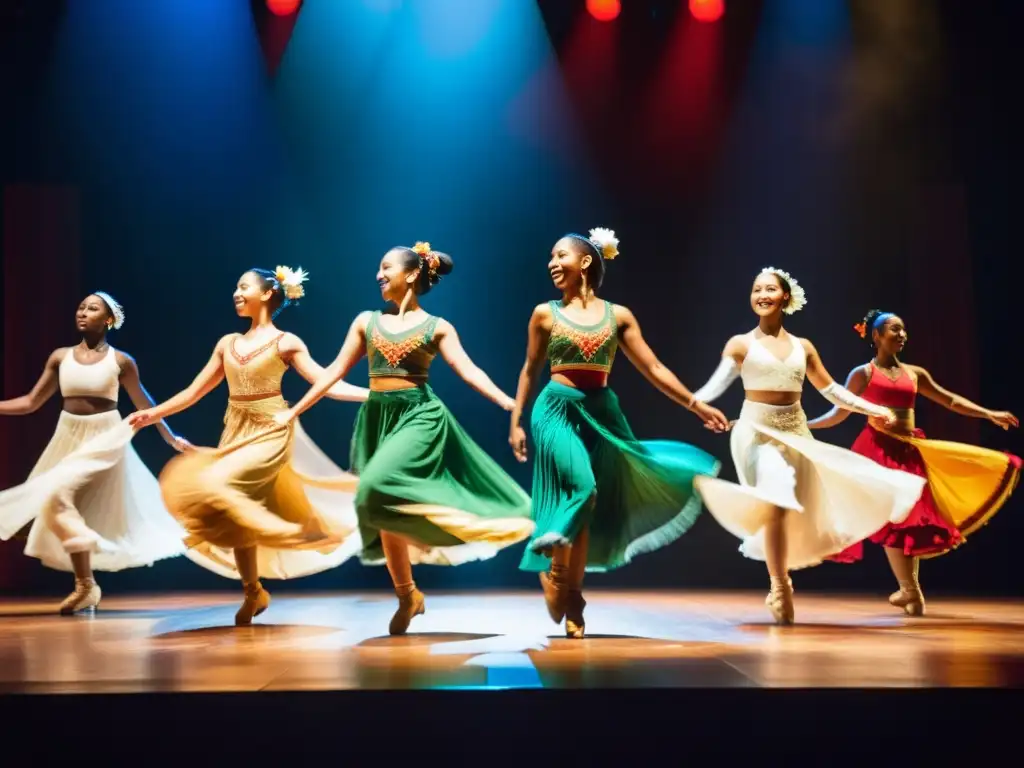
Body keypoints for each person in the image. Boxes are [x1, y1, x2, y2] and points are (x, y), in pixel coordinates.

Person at [276, 242, 533, 636]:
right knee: (382, 505)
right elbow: (331, 375)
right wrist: (294, 411)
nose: (378, 275)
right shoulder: (366, 322)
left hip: (419, 415)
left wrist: (508, 403)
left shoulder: (438, 326)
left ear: (411, 274)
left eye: (385, 267)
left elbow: (469, 370)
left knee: (374, 489)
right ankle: (408, 595)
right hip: (377, 418)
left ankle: (442, 534)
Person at [508, 229, 728, 639]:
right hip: (555, 409)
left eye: (560, 256)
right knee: (583, 489)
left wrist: (696, 405)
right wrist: (515, 420)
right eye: (550, 259)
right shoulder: (545, 313)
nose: (552, 264)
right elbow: (529, 368)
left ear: (586, 262)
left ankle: (573, 598)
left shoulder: (619, 316)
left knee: (589, 507)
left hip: (602, 413)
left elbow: (655, 369)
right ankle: (555, 572)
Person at [128, 267, 368, 625]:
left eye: (243, 287)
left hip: (272, 428)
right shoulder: (228, 343)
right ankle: (253, 590)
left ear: (268, 293)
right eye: (236, 287)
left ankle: (292, 533)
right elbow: (194, 392)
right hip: (236, 430)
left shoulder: (287, 342)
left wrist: (375, 395)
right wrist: (152, 414)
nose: (236, 293)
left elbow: (327, 384)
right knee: (231, 510)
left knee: (220, 486)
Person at [689, 268, 927, 624]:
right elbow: (715, 385)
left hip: (796, 434)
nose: (762, 295)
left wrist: (875, 408)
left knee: (790, 507)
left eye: (770, 289)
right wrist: (692, 402)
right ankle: (780, 586)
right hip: (755, 432)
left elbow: (832, 391)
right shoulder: (741, 344)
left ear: (786, 297)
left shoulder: (803, 347)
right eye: (756, 289)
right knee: (777, 497)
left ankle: (780, 582)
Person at [807, 309, 1020, 615]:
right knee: (894, 516)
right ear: (877, 336)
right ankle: (910, 590)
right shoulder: (863, 374)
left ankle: (909, 590)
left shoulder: (915, 374)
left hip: (909, 450)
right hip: (876, 451)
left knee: (907, 518)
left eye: (904, 330)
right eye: (894, 330)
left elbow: (950, 400)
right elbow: (838, 412)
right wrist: (803, 425)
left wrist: (988, 413)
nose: (902, 335)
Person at [0, 292, 190, 614]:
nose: (83, 313)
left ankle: (86, 580)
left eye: (92, 308)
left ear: (108, 319)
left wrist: (170, 438)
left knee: (60, 496)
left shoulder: (121, 361)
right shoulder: (60, 357)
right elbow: (31, 402)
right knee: (58, 501)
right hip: (69, 436)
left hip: (106, 438)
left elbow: (145, 404)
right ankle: (85, 585)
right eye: (80, 307)